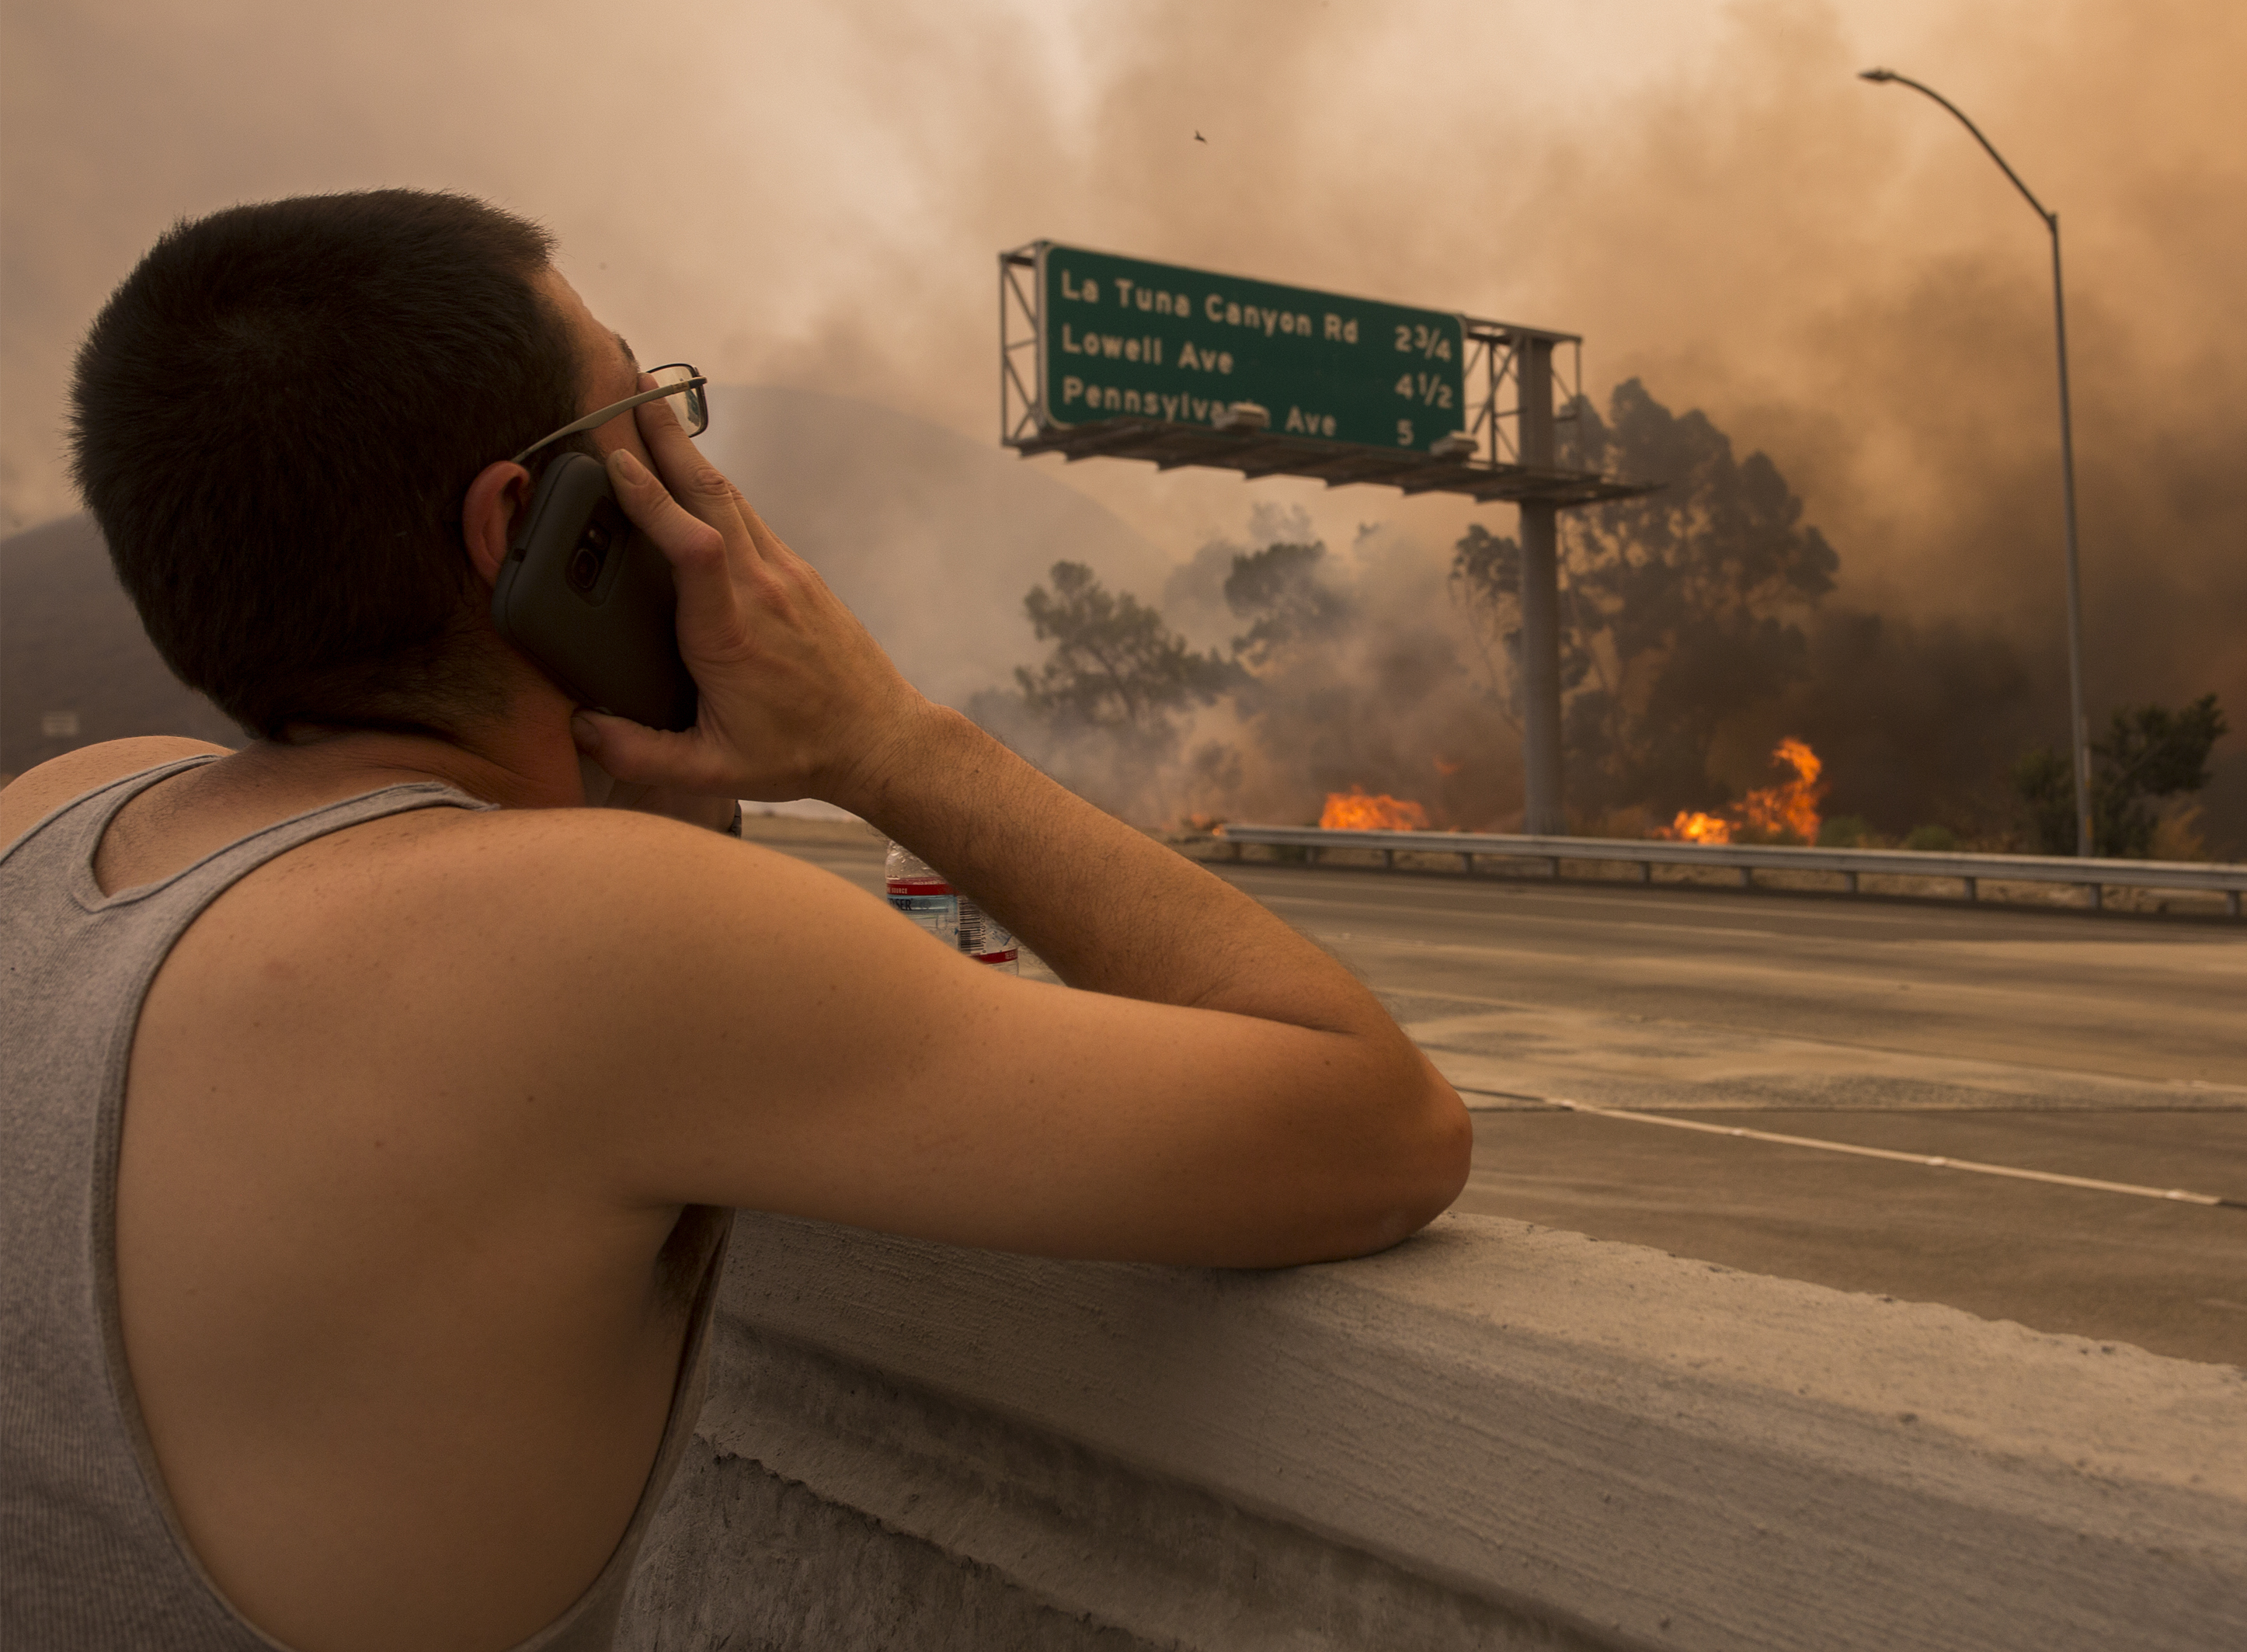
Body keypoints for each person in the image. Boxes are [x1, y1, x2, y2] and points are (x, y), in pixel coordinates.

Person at [0, 190, 1471, 1652]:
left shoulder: (57, 817)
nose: (697, 477)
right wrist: (882, 737)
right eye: (646, 421)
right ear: (534, 527)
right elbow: (1379, 1124)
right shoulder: (601, 946)